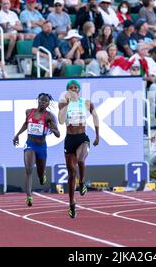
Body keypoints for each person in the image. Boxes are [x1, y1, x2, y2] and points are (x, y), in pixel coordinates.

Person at [58, 80, 100, 218]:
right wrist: (68, 104)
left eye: (76, 87)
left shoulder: (86, 102)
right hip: (69, 139)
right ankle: (71, 204)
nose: (73, 89)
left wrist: (97, 135)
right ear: (67, 90)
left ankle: (82, 181)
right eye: (71, 88)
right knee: (71, 174)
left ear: (79, 90)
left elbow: (95, 116)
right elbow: (61, 120)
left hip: (82, 137)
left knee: (81, 159)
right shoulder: (63, 103)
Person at [13, 93, 60, 207]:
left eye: (46, 102)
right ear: (38, 101)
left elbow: (58, 134)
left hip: (41, 147)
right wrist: (17, 135)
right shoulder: (29, 112)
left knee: (40, 173)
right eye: (41, 101)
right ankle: (29, 196)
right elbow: (26, 124)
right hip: (30, 144)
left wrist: (53, 129)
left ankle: (42, 175)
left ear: (48, 104)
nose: (43, 103)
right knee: (28, 170)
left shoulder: (49, 116)